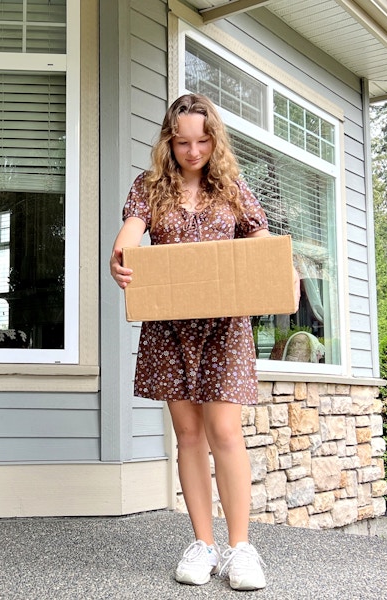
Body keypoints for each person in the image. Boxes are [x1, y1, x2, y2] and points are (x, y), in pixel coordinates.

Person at [110, 93, 298, 591]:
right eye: (183, 142)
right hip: (171, 325)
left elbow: (259, 238)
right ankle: (202, 543)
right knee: (188, 435)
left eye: (202, 140)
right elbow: (129, 238)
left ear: (215, 138)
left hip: (225, 325)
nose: (193, 151)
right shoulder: (150, 187)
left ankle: (241, 549)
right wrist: (122, 257)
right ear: (169, 143)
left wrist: (282, 267)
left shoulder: (232, 187)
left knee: (225, 431)